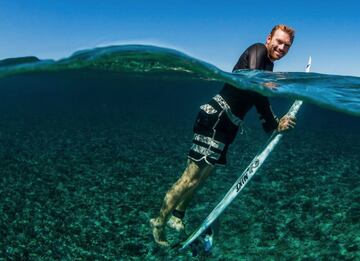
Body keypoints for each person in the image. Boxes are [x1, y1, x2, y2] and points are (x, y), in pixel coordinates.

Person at [150, 24, 296, 247]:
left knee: (201, 178)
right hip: (216, 119)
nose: (282, 47)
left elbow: (257, 94)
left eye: (287, 45)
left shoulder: (269, 65)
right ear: (269, 39)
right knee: (189, 178)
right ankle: (158, 222)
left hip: (228, 125)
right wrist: (274, 123)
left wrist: (272, 122)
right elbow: (255, 87)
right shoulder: (257, 50)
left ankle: (177, 217)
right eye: (279, 41)